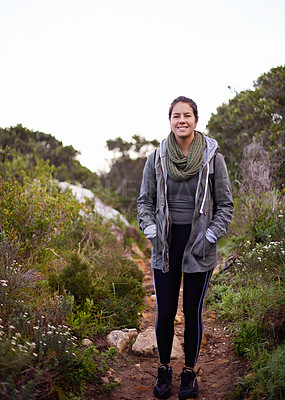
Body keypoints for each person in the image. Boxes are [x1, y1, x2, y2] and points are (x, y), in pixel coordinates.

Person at [137, 96, 234, 400]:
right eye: (176, 115)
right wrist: (152, 233)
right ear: (170, 121)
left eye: (187, 115)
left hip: (199, 247)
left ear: (195, 119)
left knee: (192, 312)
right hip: (165, 245)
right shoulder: (156, 159)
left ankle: (189, 373)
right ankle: (164, 370)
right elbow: (144, 203)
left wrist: (208, 238)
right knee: (165, 311)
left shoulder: (212, 157)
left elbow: (225, 205)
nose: (182, 120)